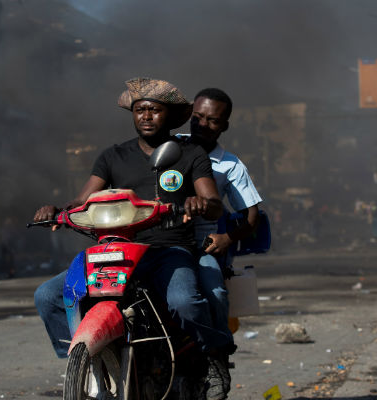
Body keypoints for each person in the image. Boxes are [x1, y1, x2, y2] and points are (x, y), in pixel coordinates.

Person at [33, 78, 233, 399]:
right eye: (140, 110)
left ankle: (209, 358)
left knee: (185, 302)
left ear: (169, 116)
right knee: (48, 296)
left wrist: (201, 203)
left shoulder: (190, 153)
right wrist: (56, 211)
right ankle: (81, 363)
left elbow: (212, 202)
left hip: (167, 249)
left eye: (154, 110)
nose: (146, 116)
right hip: (116, 250)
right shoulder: (113, 156)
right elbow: (82, 201)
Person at [179, 88, 262, 365]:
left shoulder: (231, 165)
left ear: (224, 126)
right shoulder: (170, 147)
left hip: (201, 246)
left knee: (214, 291)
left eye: (212, 120)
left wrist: (227, 238)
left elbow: (252, 216)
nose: (202, 124)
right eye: (198, 117)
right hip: (160, 240)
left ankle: (216, 357)